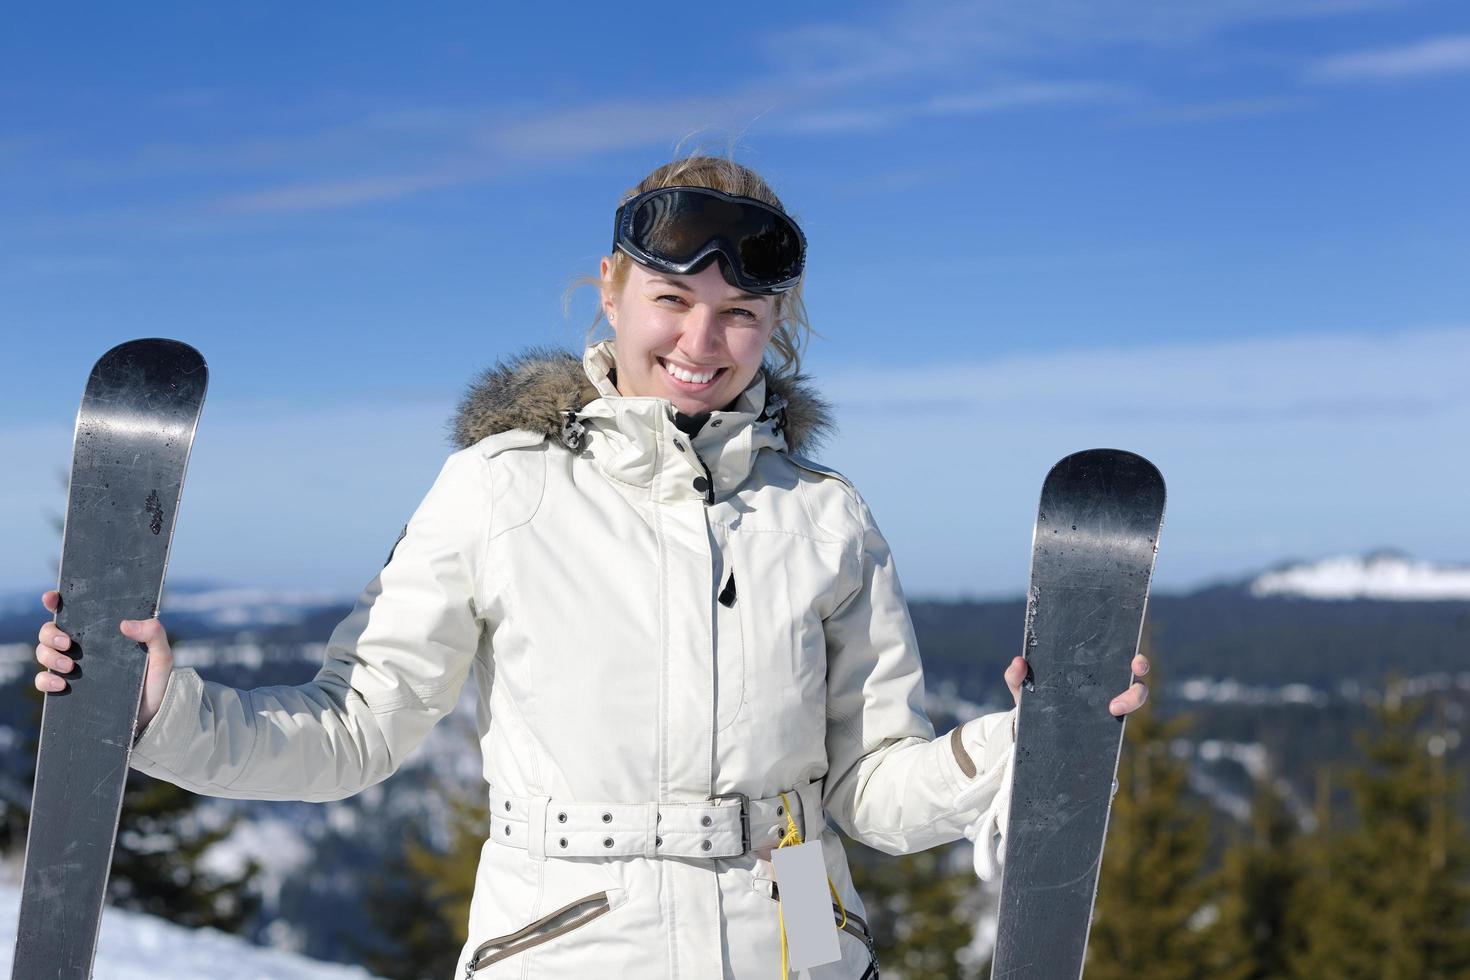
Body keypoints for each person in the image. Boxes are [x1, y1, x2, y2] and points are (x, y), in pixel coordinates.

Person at [33, 155, 1150, 978]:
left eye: (739, 315)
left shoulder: (826, 517)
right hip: (572, 938)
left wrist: (1024, 743)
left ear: (774, 327)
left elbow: (871, 791)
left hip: (807, 929)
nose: (701, 344)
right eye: (672, 301)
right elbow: (355, 730)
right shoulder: (500, 488)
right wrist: (159, 712)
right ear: (611, 291)